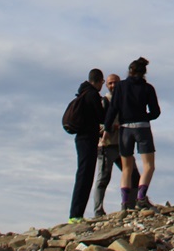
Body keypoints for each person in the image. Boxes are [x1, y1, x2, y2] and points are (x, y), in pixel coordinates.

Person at [103, 56, 161, 210]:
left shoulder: (120, 87)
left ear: (129, 71)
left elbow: (113, 108)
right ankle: (141, 197)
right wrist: (144, 117)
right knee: (148, 166)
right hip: (142, 128)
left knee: (126, 167)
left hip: (125, 129)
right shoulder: (148, 88)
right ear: (143, 73)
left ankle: (125, 203)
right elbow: (156, 112)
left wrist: (107, 128)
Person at [92, 73, 137, 216]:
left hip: (123, 144)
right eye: (110, 83)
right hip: (107, 145)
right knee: (103, 178)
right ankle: (98, 211)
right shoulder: (104, 102)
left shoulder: (125, 101)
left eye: (116, 83)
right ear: (106, 85)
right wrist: (113, 127)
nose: (113, 86)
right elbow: (98, 125)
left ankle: (132, 204)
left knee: (133, 175)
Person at [68, 68, 106, 223]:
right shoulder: (92, 95)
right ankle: (76, 215)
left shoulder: (83, 93)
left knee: (83, 174)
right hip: (87, 139)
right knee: (85, 175)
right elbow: (101, 117)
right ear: (98, 81)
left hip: (81, 138)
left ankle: (76, 214)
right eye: (102, 82)